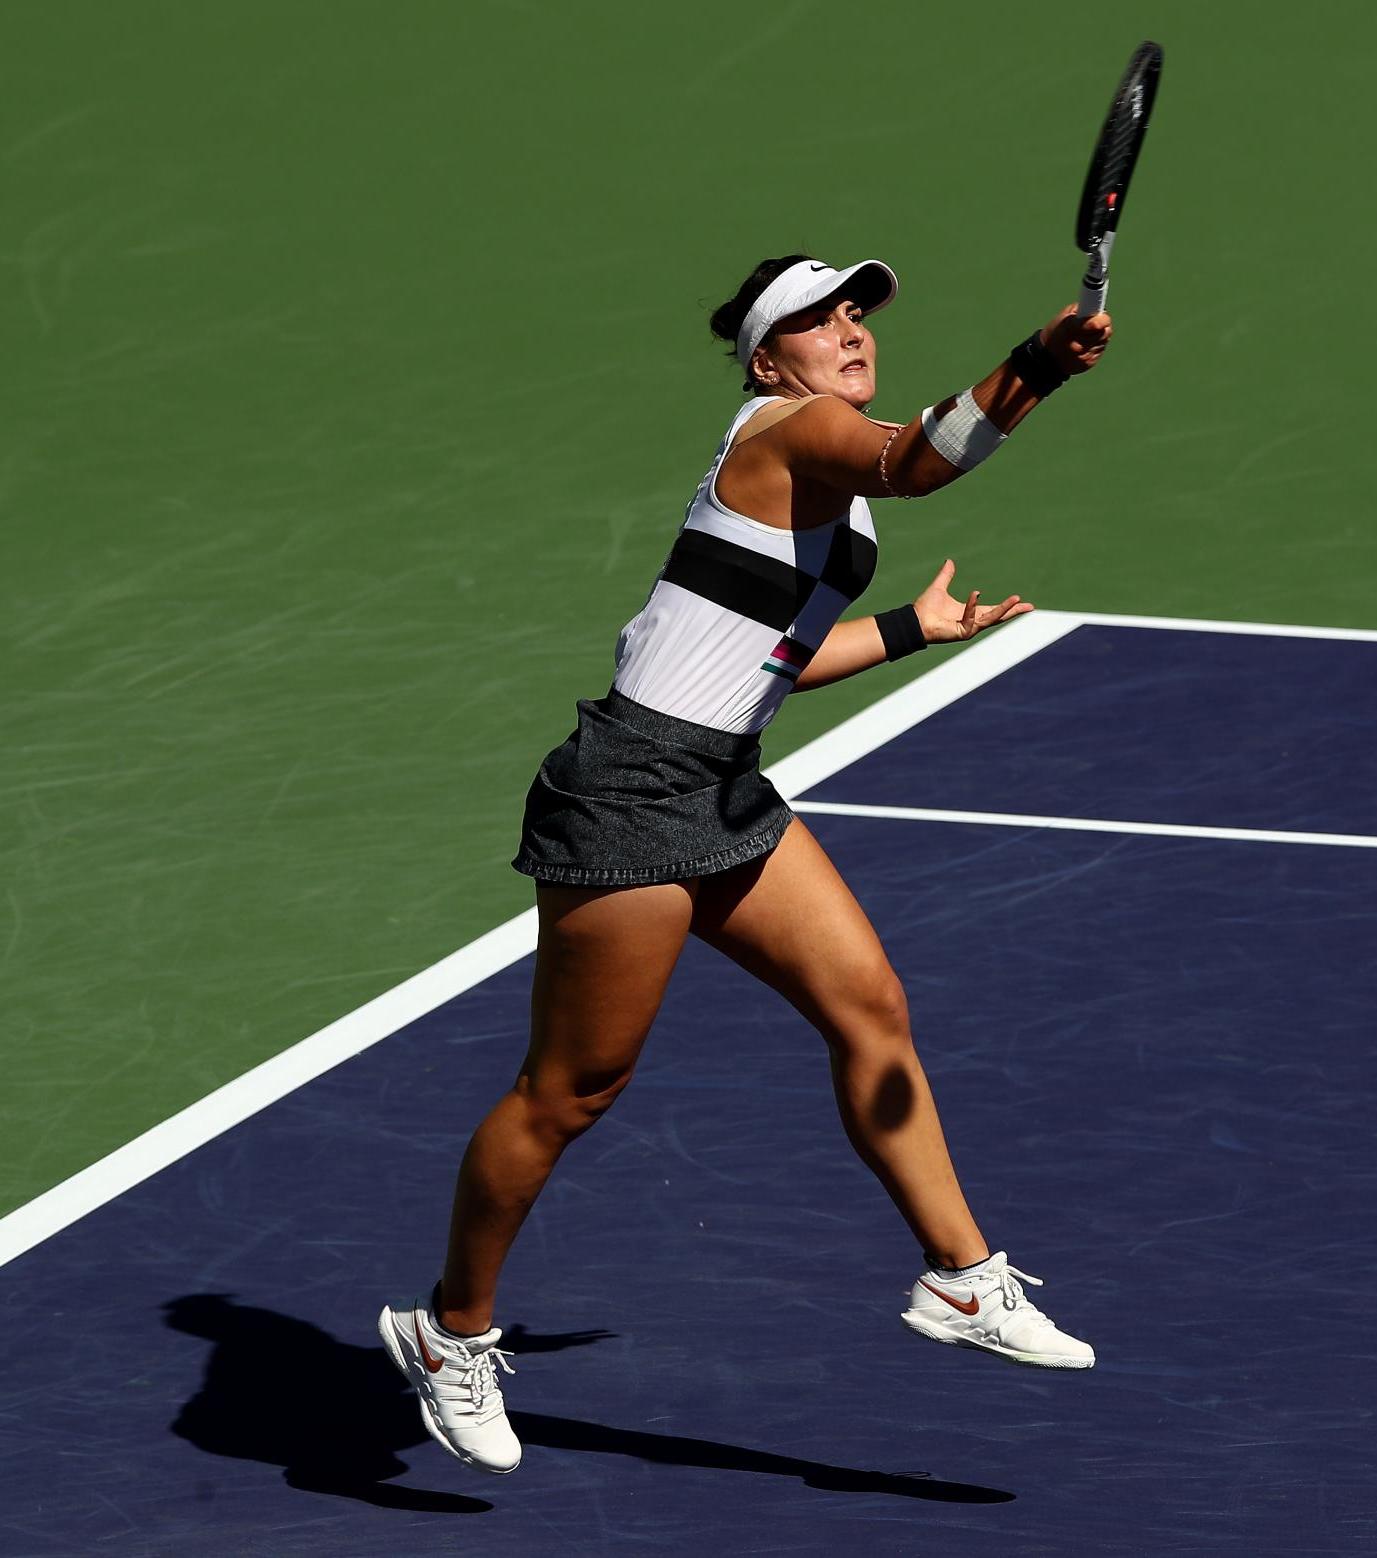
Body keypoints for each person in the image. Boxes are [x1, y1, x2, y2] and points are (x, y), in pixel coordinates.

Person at [379, 255, 1113, 1475]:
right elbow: (916, 462)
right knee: (572, 1091)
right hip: (627, 791)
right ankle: (448, 1333)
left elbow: (774, 654)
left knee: (869, 1007)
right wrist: (1035, 365)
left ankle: (962, 1278)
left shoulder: (824, 471)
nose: (849, 331)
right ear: (769, 362)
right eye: (816, 321)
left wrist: (907, 633)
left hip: (718, 784)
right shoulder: (792, 432)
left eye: (856, 313)